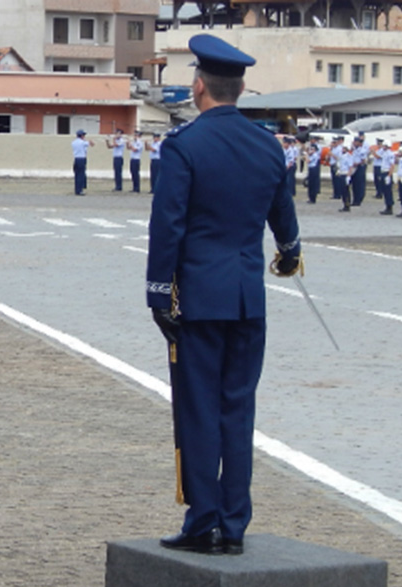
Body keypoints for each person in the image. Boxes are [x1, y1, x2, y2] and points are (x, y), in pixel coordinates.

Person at [146, 34, 301, 556]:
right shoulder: (268, 145)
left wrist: (158, 293)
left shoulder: (184, 146)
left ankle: (203, 520)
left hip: (198, 301)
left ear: (199, 87)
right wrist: (290, 249)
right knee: (238, 410)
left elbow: (168, 226)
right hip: (246, 299)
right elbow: (283, 213)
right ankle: (234, 524)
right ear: (238, 88)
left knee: (198, 408)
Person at [377, 141, 396, 215]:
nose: (383, 147)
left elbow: (392, 165)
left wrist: (389, 175)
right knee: (384, 191)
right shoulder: (384, 153)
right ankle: (387, 206)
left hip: (387, 172)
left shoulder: (390, 154)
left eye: (384, 146)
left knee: (388, 191)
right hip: (383, 172)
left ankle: (390, 207)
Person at [351, 134, 369, 206]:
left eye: (356, 142)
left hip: (360, 167)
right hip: (354, 167)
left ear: (360, 143)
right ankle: (355, 199)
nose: (354, 143)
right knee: (354, 184)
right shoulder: (354, 150)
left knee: (359, 184)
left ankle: (358, 199)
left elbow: (364, 160)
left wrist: (357, 164)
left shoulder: (362, 150)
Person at [337, 143, 355, 212]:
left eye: (344, 148)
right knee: (342, 191)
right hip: (341, 173)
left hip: (346, 174)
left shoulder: (349, 156)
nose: (343, 150)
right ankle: (344, 204)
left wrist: (348, 176)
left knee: (346, 191)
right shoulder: (342, 156)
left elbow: (350, 167)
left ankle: (347, 205)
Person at [72, 129, 90, 195]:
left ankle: (77, 189)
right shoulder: (83, 142)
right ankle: (80, 190)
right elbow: (91, 144)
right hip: (81, 159)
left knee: (77, 175)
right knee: (81, 175)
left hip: (76, 159)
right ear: (82, 135)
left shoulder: (74, 142)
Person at [305, 136, 321, 204]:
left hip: (314, 169)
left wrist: (306, 155)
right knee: (310, 184)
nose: (310, 150)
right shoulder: (312, 155)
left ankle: (313, 198)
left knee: (313, 184)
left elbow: (308, 161)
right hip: (311, 169)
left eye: (312, 149)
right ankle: (310, 197)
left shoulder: (315, 155)